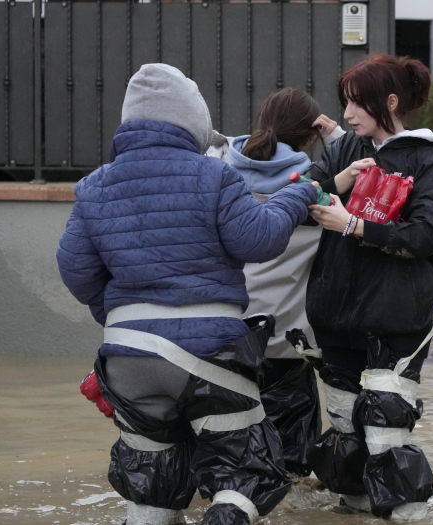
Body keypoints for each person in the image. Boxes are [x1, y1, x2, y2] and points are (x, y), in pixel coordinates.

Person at [56, 63, 317, 525]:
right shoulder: (213, 176)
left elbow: (75, 271)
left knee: (151, 484)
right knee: (247, 473)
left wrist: (120, 315)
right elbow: (257, 240)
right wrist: (295, 197)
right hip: (208, 353)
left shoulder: (94, 185)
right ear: (194, 120)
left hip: (129, 358)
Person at [302, 54, 433, 520]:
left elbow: (432, 233)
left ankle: (411, 511)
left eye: (356, 104)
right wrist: (334, 182)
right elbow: (300, 198)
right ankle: (354, 503)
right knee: (346, 424)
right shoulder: (344, 151)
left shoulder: (426, 158)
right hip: (336, 314)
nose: (347, 115)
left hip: (398, 314)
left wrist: (354, 225)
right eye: (345, 103)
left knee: (385, 423)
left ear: (389, 102)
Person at [206, 87, 344, 477]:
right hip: (287, 348)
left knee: (227, 466)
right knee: (292, 475)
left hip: (223, 340)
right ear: (310, 135)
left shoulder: (217, 176)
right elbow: (380, 172)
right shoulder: (316, 193)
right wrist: (336, 139)